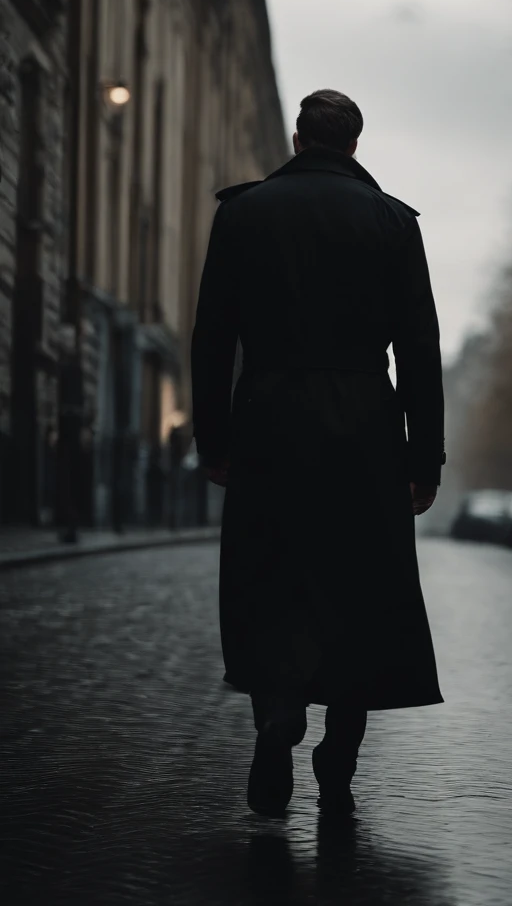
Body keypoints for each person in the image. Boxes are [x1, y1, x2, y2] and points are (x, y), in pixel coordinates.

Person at [191, 90, 445, 817]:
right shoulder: (393, 223)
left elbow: (213, 340)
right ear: (355, 146)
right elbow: (419, 351)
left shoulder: (241, 214)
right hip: (365, 423)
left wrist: (214, 442)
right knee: (360, 586)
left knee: (271, 576)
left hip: (268, 417)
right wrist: (424, 460)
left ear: (299, 139)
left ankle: (276, 714)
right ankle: (340, 755)